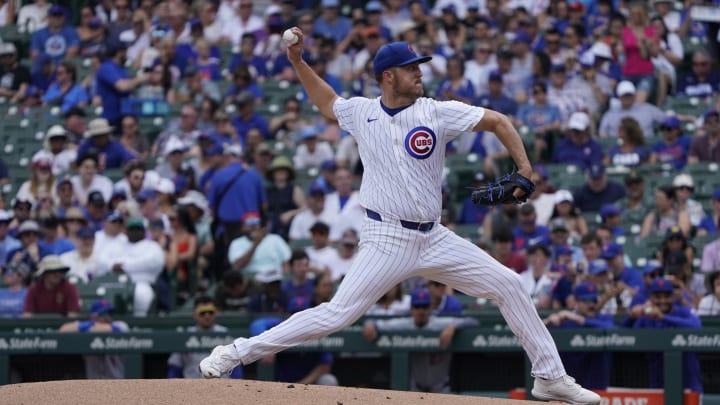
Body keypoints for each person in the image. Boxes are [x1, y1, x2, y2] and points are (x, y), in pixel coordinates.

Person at [199, 35, 601, 405]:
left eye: (419, 66)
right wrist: (298, 60)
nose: (420, 72)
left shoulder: (437, 112)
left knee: (510, 285)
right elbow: (326, 100)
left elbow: (498, 121)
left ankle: (549, 376)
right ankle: (235, 353)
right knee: (338, 314)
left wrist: (525, 169)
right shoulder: (361, 113)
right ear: (388, 76)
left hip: (435, 236)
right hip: (386, 237)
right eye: (412, 68)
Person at [363, 288, 479, 393]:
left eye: (424, 306)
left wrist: (453, 326)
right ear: (411, 309)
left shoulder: (440, 323)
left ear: (430, 307)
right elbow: (378, 325)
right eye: (417, 307)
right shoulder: (405, 324)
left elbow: (473, 321)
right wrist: (370, 324)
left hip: (441, 388)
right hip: (415, 388)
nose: (421, 311)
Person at [630, 277, 703, 393]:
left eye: (666, 296)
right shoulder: (647, 317)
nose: (662, 300)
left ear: (673, 297)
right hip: (658, 383)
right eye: (658, 297)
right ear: (651, 298)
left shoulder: (683, 311)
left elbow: (696, 326)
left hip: (689, 383)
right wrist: (633, 316)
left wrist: (663, 317)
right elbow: (629, 337)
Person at [544, 282, 614, 390]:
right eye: (586, 301)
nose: (591, 305)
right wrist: (548, 322)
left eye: (594, 300)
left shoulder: (603, 319)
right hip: (568, 387)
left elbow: (613, 330)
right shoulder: (565, 321)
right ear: (576, 302)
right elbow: (534, 335)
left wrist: (580, 319)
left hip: (596, 388)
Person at [168, 296, 242, 379]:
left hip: (222, 387)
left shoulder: (225, 334)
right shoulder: (185, 335)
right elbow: (175, 369)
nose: (207, 316)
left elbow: (236, 368)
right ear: (194, 314)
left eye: (210, 312)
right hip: (192, 387)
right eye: (202, 312)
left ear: (216, 312)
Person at [59, 299, 129, 379]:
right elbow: (63, 330)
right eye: (103, 314)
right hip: (94, 387)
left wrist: (88, 326)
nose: (108, 317)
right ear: (93, 317)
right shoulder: (87, 329)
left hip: (118, 385)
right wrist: (91, 324)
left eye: (110, 313)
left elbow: (109, 329)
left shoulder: (121, 325)